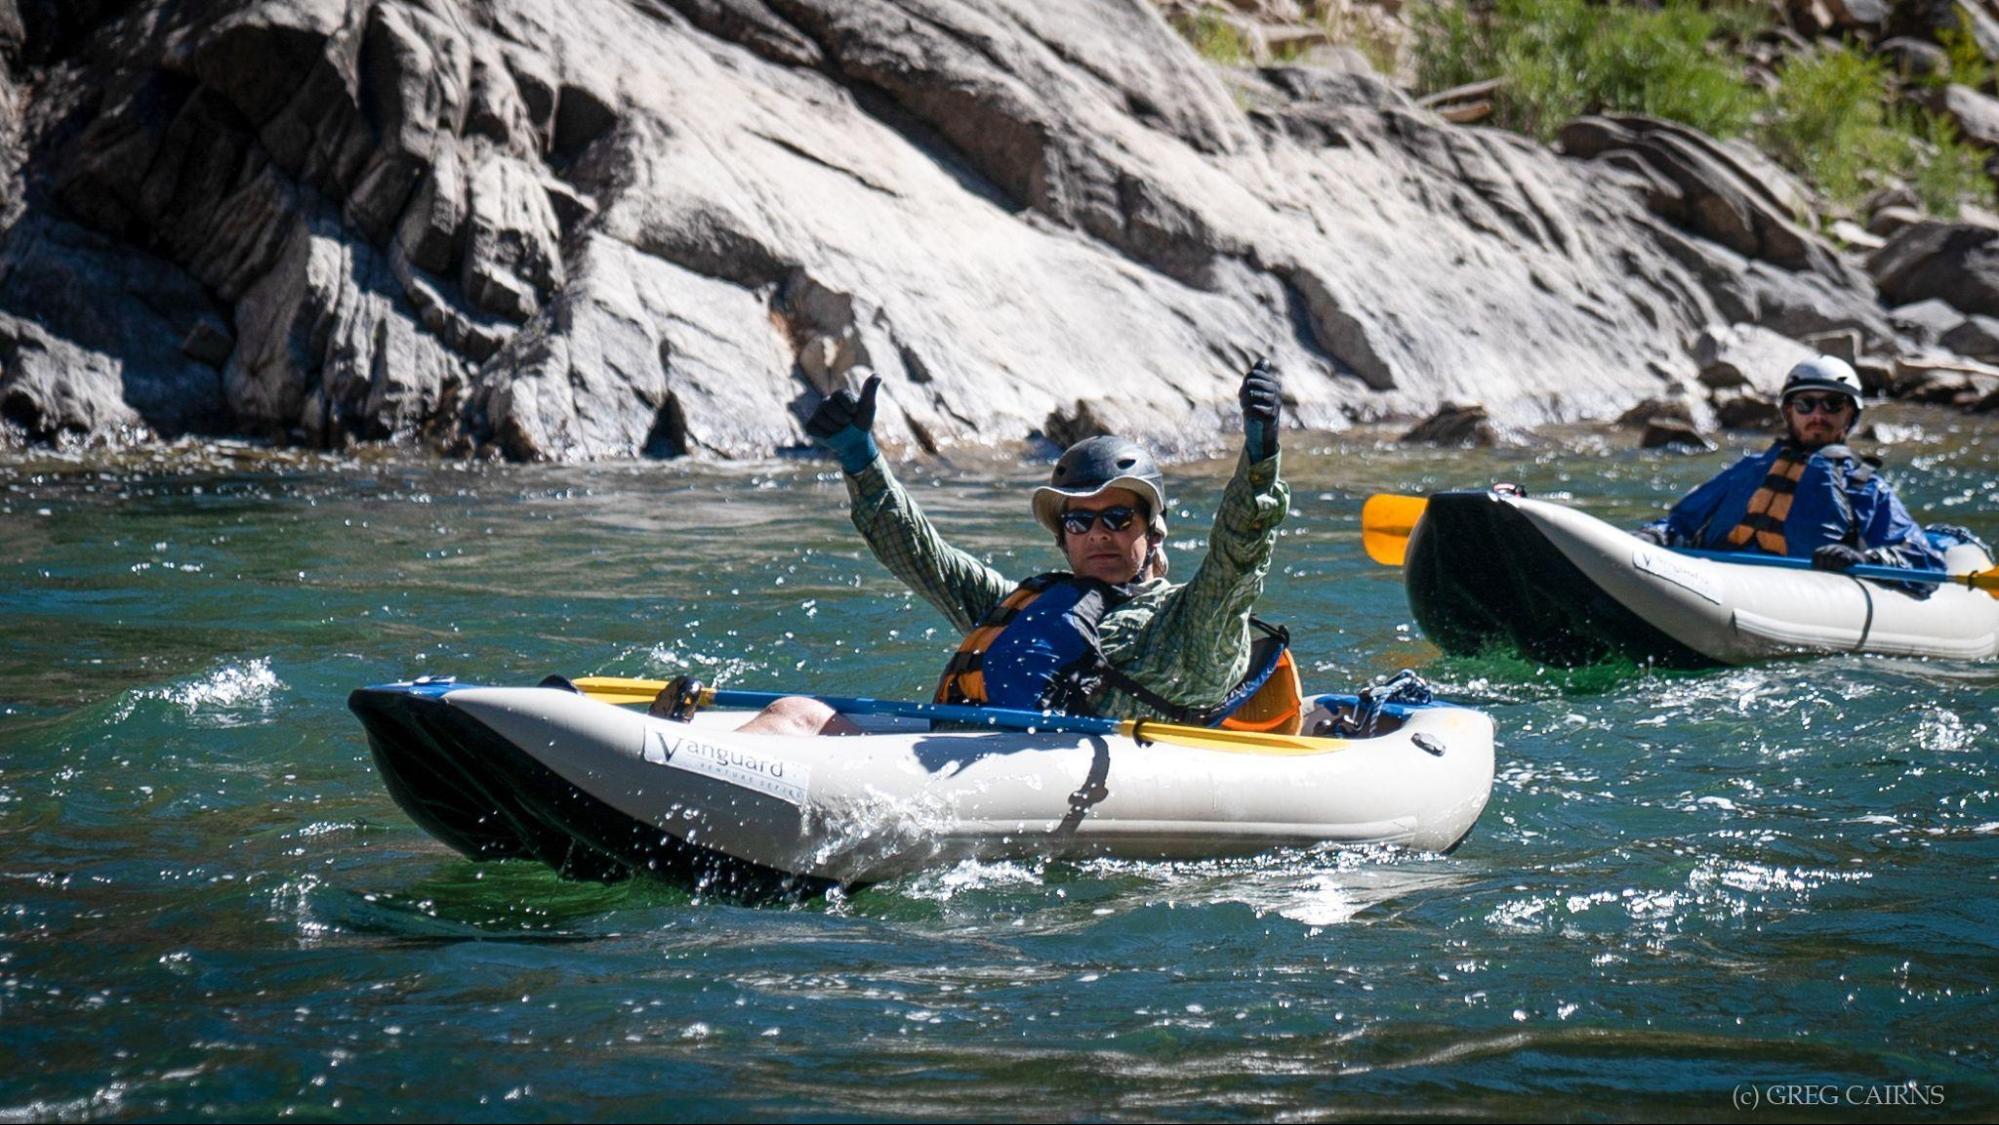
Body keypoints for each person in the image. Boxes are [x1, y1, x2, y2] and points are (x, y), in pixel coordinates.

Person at [668, 361, 1293, 736]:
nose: (1098, 532)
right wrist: (861, 458)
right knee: (796, 713)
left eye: (1117, 515)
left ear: (1151, 529)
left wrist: (1260, 454)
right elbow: (922, 555)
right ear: (1061, 535)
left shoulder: (1192, 624)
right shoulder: (1040, 603)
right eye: (1080, 521)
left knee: (797, 716)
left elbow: (1239, 552)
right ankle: (673, 767)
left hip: (1061, 778)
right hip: (976, 758)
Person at [1635, 355, 1944, 581]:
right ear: (1788, 412)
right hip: (1721, 576)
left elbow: (1923, 559)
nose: (1818, 415)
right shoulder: (1748, 469)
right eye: (1806, 404)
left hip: (1802, 591)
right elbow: (1679, 524)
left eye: (1833, 404)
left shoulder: (1864, 486)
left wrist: (1863, 557)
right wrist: (1653, 537)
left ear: (1850, 415)